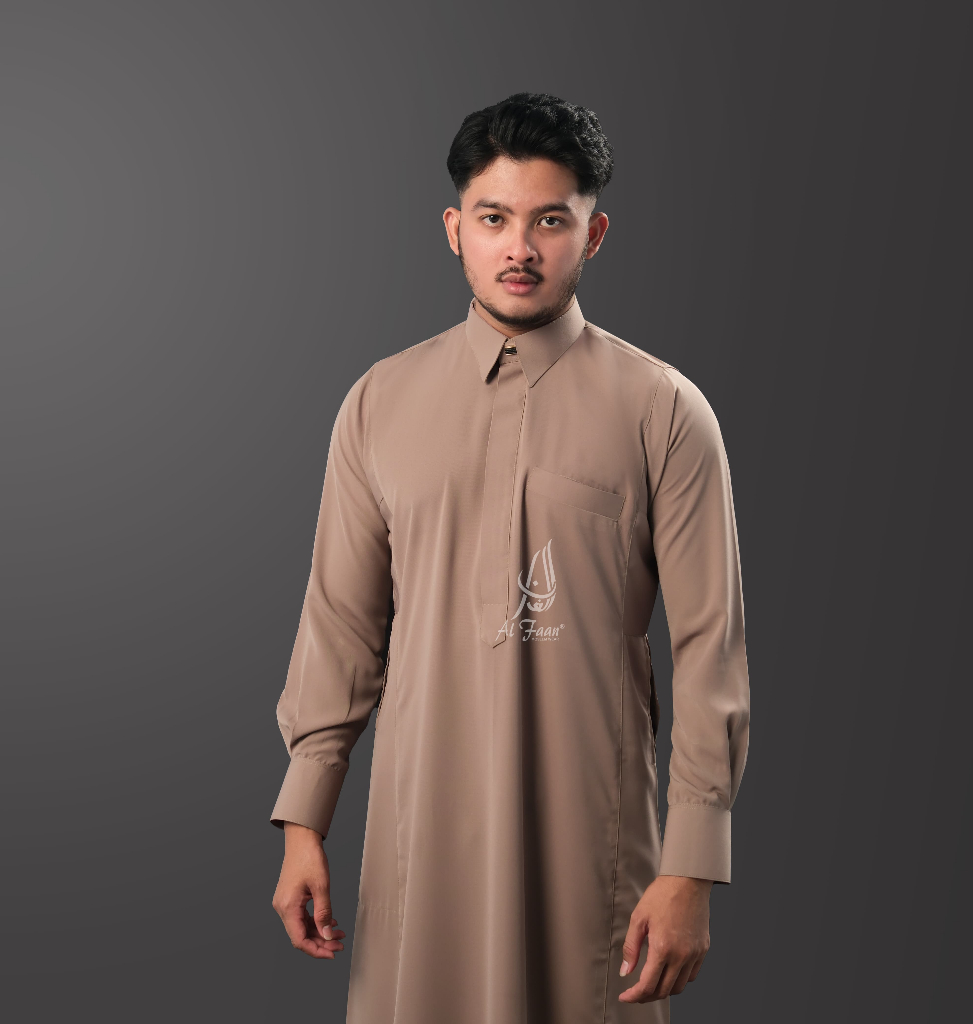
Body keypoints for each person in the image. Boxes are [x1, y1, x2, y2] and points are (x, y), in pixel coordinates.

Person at [269, 92, 750, 1023]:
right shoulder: (378, 403)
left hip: (591, 847)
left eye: (549, 221)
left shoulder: (662, 410)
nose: (519, 248)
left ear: (593, 234)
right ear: (456, 230)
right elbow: (341, 626)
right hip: (418, 841)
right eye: (494, 219)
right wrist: (303, 821)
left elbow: (710, 651)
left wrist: (692, 865)